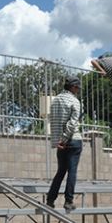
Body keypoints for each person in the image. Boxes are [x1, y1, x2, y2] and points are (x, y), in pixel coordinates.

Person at [46, 76, 83, 211]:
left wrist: (57, 142)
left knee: (60, 171)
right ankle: (68, 201)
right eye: (77, 88)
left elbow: (53, 122)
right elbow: (72, 123)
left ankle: (50, 199)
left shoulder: (55, 100)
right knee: (72, 171)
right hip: (73, 140)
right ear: (73, 87)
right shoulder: (74, 101)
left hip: (60, 143)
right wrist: (65, 138)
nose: (78, 90)